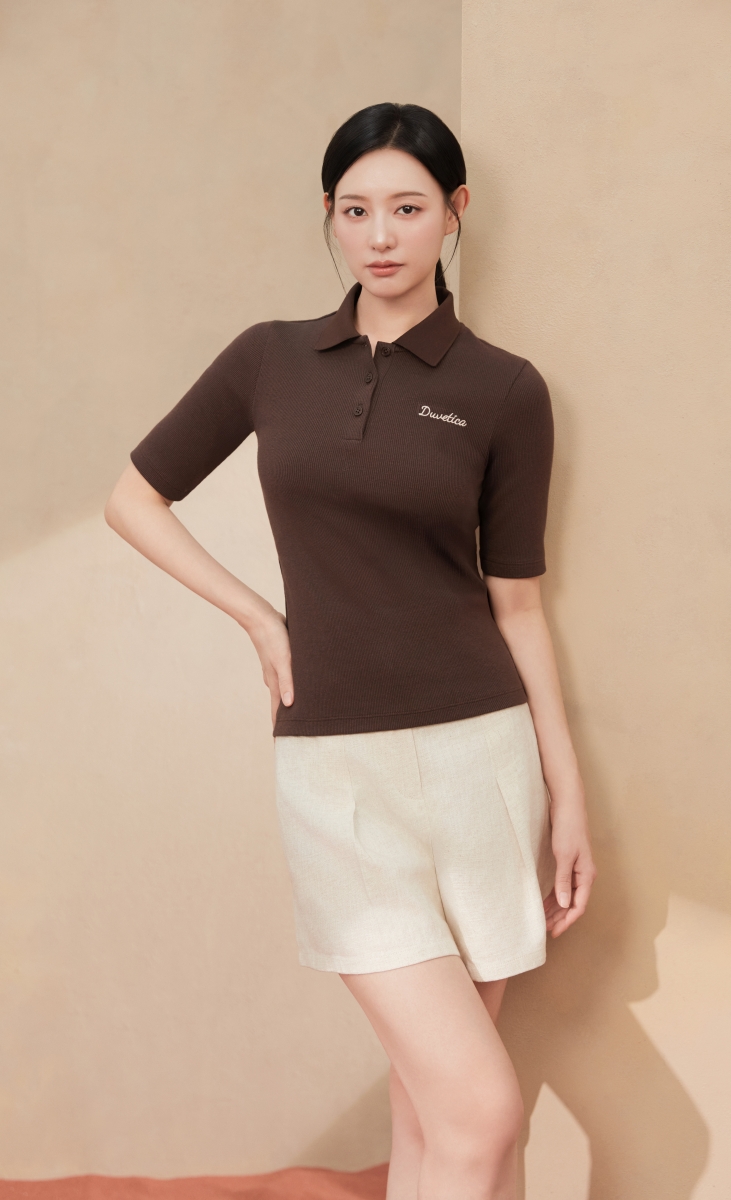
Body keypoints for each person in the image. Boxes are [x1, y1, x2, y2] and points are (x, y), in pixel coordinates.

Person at [105, 102, 596, 1200]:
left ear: (454, 213)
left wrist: (567, 798)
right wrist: (257, 615)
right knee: (483, 1112)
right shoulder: (269, 359)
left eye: (408, 210)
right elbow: (132, 499)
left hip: (482, 767)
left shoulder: (504, 389)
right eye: (355, 210)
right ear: (327, 215)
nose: (379, 236)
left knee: (434, 1115)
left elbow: (519, 606)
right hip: (336, 773)